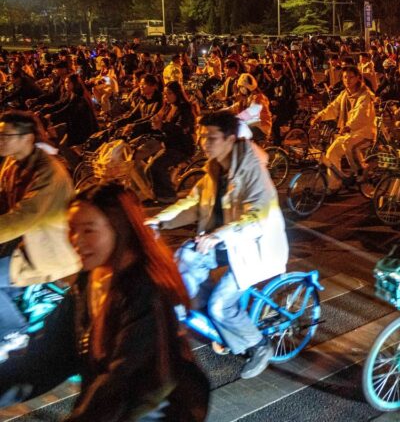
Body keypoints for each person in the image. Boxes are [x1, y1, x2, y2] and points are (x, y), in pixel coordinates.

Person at [0, 183, 210, 420]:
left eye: (88, 230)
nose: (75, 240)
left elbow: (124, 381)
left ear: (119, 228)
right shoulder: (90, 280)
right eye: (71, 229)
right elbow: (49, 357)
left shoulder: (148, 292)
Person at [148, 111, 288, 379]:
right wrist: (158, 221)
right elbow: (193, 203)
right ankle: (210, 326)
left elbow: (258, 217)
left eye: (211, 137)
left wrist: (219, 235)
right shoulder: (214, 169)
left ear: (231, 139)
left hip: (253, 248)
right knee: (185, 261)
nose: (204, 143)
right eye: (202, 136)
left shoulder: (252, 172)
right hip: (225, 241)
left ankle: (258, 345)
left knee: (220, 305)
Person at [0, 111, 81, 355]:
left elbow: (23, 217)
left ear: (27, 138)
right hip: (24, 245)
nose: (1, 139)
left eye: (6, 135)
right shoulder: (13, 164)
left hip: (50, 251)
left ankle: (13, 332)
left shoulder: (49, 173)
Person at [311, 65, 377, 190]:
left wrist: (348, 126)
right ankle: (334, 185)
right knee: (331, 152)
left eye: (351, 77)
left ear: (358, 78)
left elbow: (361, 113)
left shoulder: (365, 95)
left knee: (349, 145)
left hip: (365, 132)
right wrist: (319, 117)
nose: (347, 80)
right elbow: (333, 107)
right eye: (345, 77)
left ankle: (363, 170)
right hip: (348, 132)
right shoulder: (344, 94)